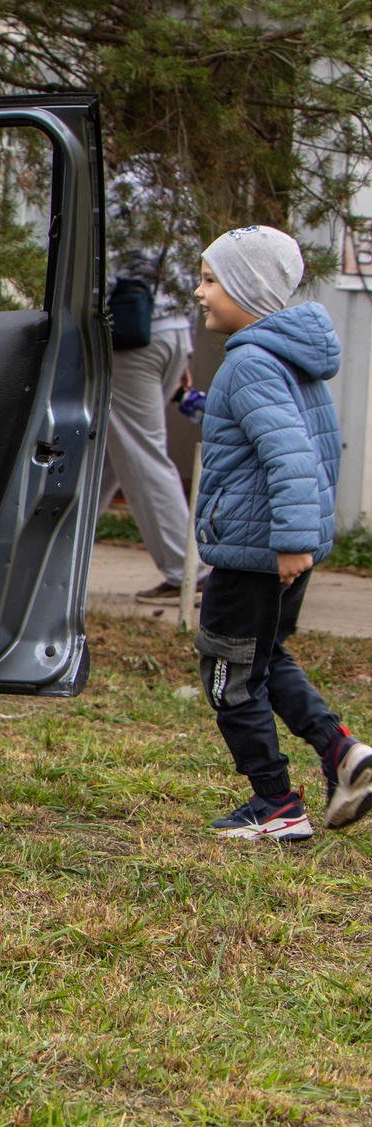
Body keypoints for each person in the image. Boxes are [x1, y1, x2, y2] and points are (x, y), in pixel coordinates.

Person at [191, 225, 372, 841]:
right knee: (265, 658)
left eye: (212, 280)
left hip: (257, 552)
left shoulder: (249, 362)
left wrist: (289, 540)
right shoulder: (290, 359)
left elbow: (290, 456)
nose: (200, 291)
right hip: (279, 548)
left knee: (228, 672)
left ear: (249, 288)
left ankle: (276, 804)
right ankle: (341, 751)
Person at [105, 165, 197, 601]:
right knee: (107, 453)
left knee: (141, 453)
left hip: (133, 334)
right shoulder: (173, 188)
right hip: (173, 330)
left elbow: (105, 262)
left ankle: (188, 572)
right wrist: (186, 348)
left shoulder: (121, 186)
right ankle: (54, 555)